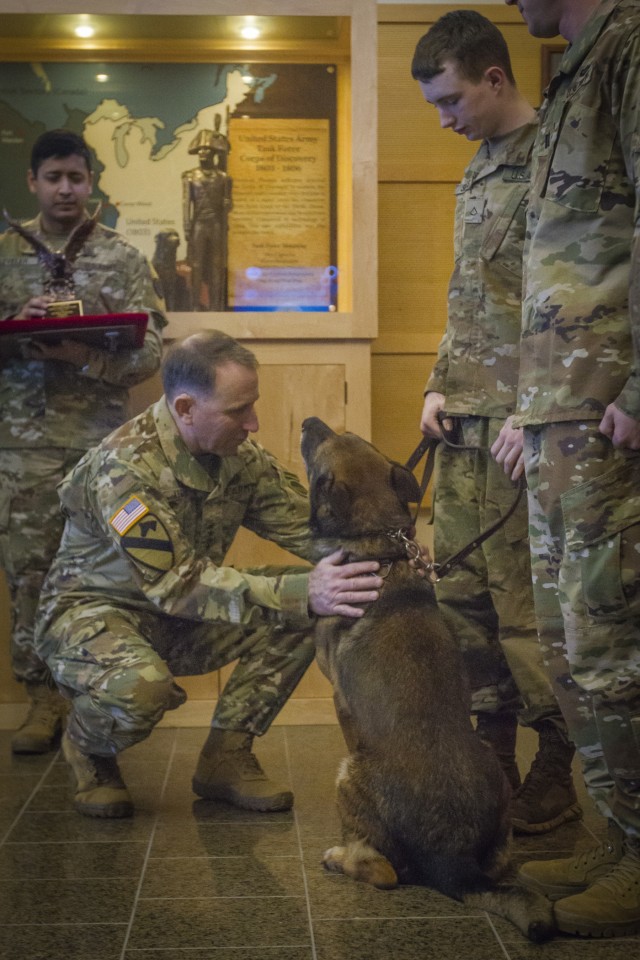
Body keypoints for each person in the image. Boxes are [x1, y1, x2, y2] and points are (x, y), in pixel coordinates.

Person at [33, 330, 384, 820]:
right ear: (185, 407)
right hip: (93, 615)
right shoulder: (123, 470)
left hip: (175, 615)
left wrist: (390, 559)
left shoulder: (239, 459)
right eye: (238, 411)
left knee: (304, 613)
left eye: (252, 406)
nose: (254, 423)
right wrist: (307, 590)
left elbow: (310, 530)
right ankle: (89, 748)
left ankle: (226, 758)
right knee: (140, 686)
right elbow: (178, 584)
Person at [411, 10, 579, 834]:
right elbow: (471, 294)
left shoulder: (560, 158)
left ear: (494, 79)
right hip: (464, 424)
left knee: (525, 609)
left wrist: (536, 407)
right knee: (463, 602)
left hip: (526, 426)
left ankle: (557, 761)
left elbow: (571, 300)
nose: (444, 119)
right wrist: (439, 383)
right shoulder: (479, 169)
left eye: (450, 100)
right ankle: (492, 757)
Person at [503, 0, 640, 938]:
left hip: (609, 417)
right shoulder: (572, 64)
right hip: (559, 416)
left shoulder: (631, 45)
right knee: (571, 651)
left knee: (614, 646)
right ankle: (618, 836)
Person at [0, 129, 166, 756]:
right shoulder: (2, 255)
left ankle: (99, 699)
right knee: (31, 576)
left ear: (91, 182)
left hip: (102, 448)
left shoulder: (122, 257)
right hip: (23, 448)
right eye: (53, 178)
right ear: (33, 183)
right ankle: (41, 700)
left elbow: (150, 352)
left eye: (76, 178)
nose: (65, 189)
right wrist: (20, 324)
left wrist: (85, 350)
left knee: (111, 577)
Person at [182, 128, 233, 311]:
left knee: (217, 265)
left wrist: (227, 204)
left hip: (217, 225)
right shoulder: (190, 176)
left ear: (214, 152)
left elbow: (229, 205)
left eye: (207, 150)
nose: (203, 153)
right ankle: (194, 304)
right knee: (196, 264)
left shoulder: (224, 178)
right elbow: (186, 202)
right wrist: (187, 225)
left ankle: (216, 306)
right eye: (201, 150)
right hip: (199, 224)